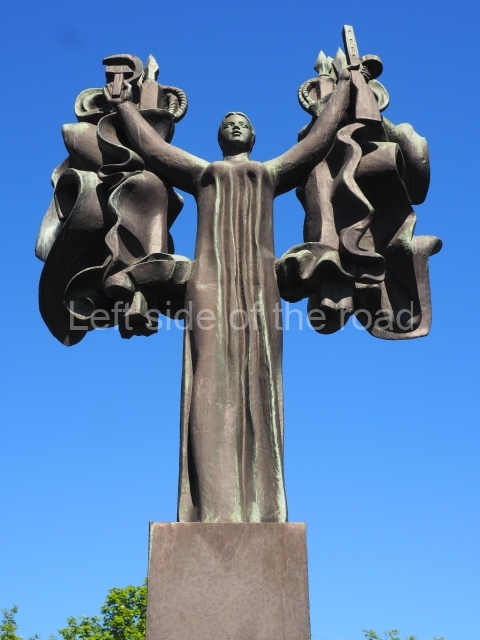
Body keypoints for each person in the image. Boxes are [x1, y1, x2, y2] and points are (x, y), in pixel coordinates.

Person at [107, 68, 353, 522]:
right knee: (209, 376)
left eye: (243, 123)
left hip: (261, 288)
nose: (235, 126)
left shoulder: (268, 173)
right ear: (218, 136)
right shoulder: (205, 174)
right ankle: (212, 507)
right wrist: (123, 105)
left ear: (254, 137)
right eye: (228, 122)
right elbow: (155, 149)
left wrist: (342, 91)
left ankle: (261, 507)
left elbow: (317, 143)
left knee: (262, 379)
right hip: (208, 283)